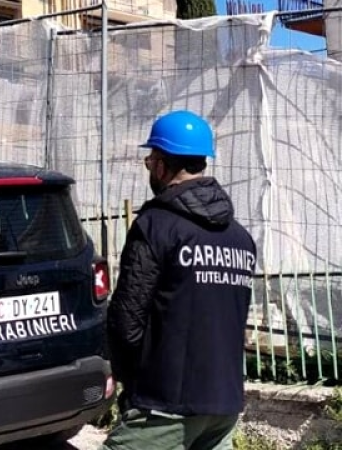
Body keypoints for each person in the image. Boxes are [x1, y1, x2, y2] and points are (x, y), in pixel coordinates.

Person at [102, 110, 257, 450]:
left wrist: (133, 385)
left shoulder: (156, 226)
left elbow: (127, 318)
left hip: (165, 402)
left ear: (160, 163)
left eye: (149, 162)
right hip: (224, 402)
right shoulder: (240, 238)